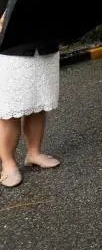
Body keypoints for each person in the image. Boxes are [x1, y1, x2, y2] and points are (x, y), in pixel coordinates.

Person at [0, 12, 61, 188]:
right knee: (9, 110)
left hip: (44, 42)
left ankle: (34, 153)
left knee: (38, 105)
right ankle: (8, 163)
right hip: (9, 46)